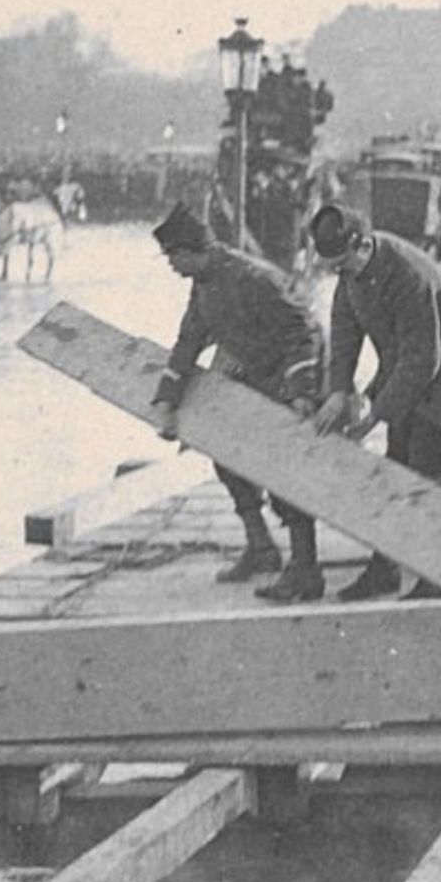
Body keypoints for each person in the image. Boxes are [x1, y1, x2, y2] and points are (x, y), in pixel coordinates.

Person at [148, 203, 327, 602]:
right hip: (252, 373)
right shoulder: (204, 283)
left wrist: (301, 394)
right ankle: (261, 548)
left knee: (285, 473)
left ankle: (305, 571)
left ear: (191, 251)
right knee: (225, 455)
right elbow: (189, 341)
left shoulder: (254, 278)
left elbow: (307, 331)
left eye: (173, 259)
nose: (172, 268)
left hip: (291, 376)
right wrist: (167, 401)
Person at [309, 203, 441, 601]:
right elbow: (344, 335)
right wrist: (339, 391)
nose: (339, 274)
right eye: (333, 267)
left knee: (429, 470)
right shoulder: (349, 272)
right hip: (402, 365)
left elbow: (425, 358)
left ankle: (438, 578)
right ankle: (384, 570)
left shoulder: (408, 274)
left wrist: (374, 416)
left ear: (364, 244)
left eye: (343, 264)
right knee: (395, 467)